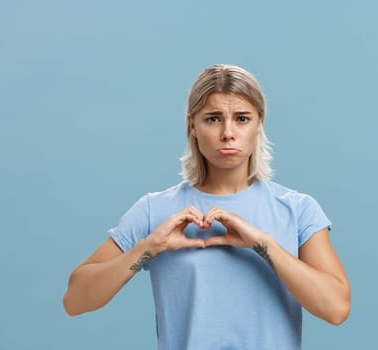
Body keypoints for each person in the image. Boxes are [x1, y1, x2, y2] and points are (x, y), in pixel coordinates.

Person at [63, 64, 350, 349]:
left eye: (242, 118)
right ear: (192, 125)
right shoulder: (155, 210)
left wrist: (263, 244)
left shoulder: (298, 210)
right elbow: (75, 300)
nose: (227, 133)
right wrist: (150, 247)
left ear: (259, 123)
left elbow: (336, 309)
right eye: (213, 119)